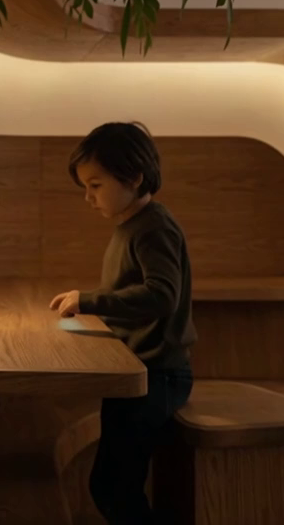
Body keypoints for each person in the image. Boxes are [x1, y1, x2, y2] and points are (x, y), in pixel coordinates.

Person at [49, 122, 196, 524]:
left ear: (133, 178)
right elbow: (131, 291)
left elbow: (161, 295)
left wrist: (90, 300)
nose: (88, 197)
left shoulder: (154, 227)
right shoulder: (133, 225)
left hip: (158, 375)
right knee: (109, 484)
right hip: (136, 370)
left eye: (95, 185)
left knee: (114, 487)